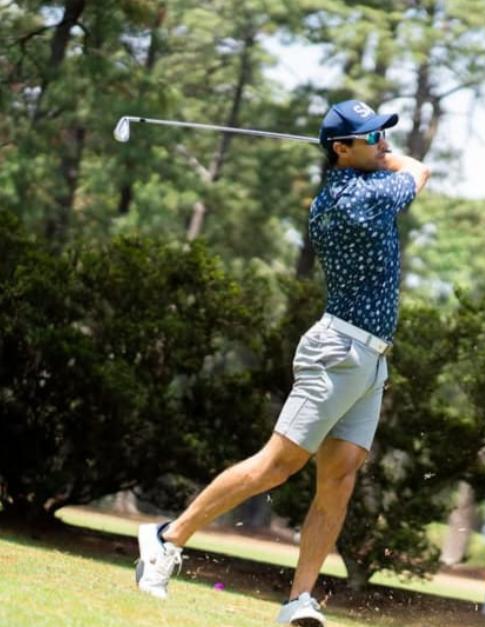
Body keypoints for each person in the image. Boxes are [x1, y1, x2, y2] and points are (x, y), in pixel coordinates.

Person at [134, 99, 431, 626]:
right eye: (372, 136)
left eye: (384, 133)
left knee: (338, 478)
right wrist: (390, 157)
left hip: (371, 358)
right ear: (341, 149)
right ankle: (165, 538)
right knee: (277, 464)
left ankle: (299, 600)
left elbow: (396, 165)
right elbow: (419, 170)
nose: (383, 142)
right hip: (339, 353)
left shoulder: (352, 186)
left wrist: (374, 151)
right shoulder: (352, 201)